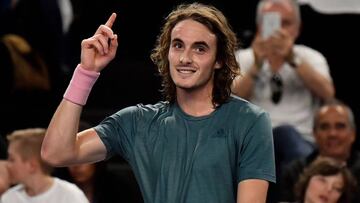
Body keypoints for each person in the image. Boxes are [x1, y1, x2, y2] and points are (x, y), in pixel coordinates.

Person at [41, 3, 276, 203]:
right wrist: (86, 72)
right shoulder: (136, 122)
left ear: (219, 60)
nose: (185, 58)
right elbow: (56, 153)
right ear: (167, 52)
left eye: (200, 49)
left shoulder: (250, 120)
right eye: (178, 45)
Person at [231, 0, 335, 182]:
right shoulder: (243, 58)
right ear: (259, 26)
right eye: (272, 22)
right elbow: (229, 99)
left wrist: (292, 59)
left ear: (298, 28)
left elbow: (327, 94)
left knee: (286, 134)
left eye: (285, 23)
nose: (279, 30)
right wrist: (257, 65)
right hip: (252, 142)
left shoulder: (310, 57)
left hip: (300, 141)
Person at [279, 99, 360, 203]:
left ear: (353, 134)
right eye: (324, 127)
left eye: (340, 126)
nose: (332, 134)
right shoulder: (295, 171)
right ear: (314, 134)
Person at [0, 128, 89, 203]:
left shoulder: (70, 195)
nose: (7, 165)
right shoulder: (9, 198)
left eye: (12, 159)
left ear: (32, 165)